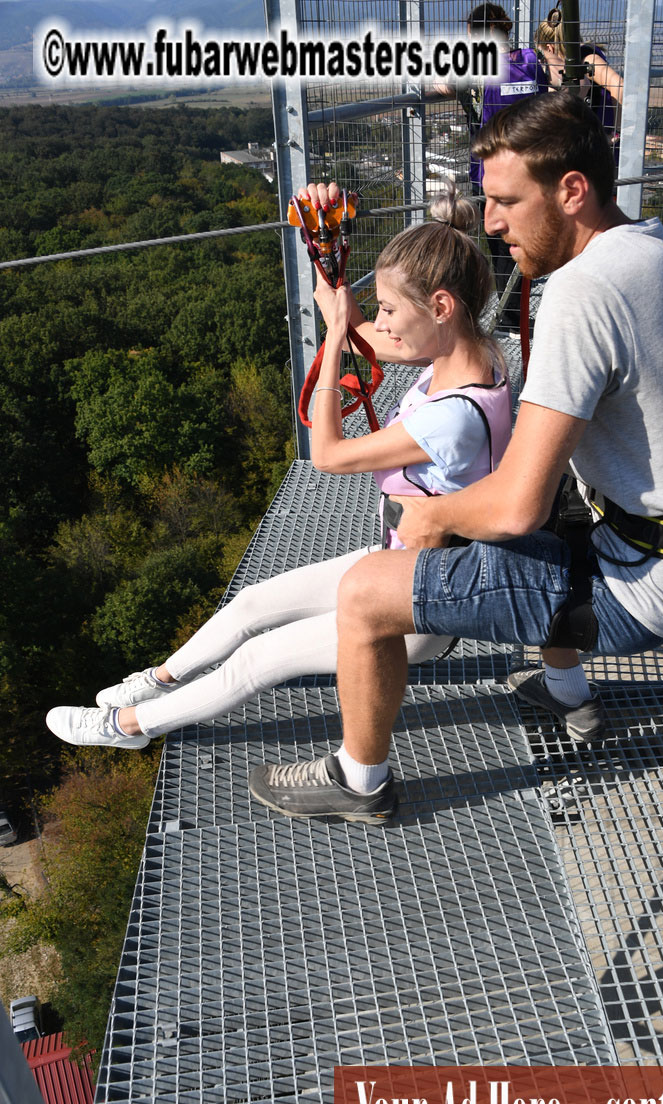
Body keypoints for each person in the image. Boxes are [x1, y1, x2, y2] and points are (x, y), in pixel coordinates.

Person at [248, 92, 663, 826]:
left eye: (506, 201)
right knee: (542, 509)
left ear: (571, 191)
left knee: (368, 590)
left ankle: (359, 781)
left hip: (634, 580)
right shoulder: (661, 247)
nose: (494, 221)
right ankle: (564, 693)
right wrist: (342, 318)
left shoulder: (580, 293)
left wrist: (433, 516)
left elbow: (514, 509)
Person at [45, 181, 513, 786]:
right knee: (252, 604)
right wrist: (330, 281)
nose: (383, 322)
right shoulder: (474, 357)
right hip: (406, 564)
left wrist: (338, 338)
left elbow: (326, 452)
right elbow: (383, 340)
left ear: (442, 308)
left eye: (392, 309)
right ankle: (160, 678)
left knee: (257, 660)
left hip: (422, 603)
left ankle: (130, 727)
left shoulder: (451, 417)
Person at [436, 3, 548, 336]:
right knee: (524, 239)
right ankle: (519, 313)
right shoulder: (529, 62)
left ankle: (510, 320)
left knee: (499, 247)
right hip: (530, 170)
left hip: (488, 174)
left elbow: (440, 84)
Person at [533, 8, 623, 152]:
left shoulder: (587, 58)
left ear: (550, 48)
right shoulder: (569, 62)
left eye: (541, 54)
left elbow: (619, 85)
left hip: (602, 143)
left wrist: (614, 132)